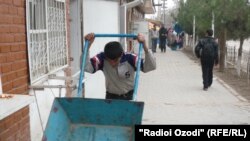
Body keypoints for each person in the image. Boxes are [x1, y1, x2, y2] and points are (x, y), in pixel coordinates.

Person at [84, 33, 156, 100]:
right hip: (111, 97)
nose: (112, 64)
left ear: (121, 55)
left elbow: (150, 67)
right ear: (106, 56)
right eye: (109, 60)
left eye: (115, 60)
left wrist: (145, 46)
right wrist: (88, 46)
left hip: (129, 97)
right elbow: (87, 68)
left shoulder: (130, 58)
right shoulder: (102, 58)